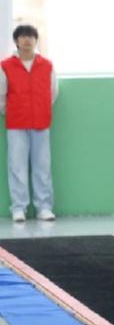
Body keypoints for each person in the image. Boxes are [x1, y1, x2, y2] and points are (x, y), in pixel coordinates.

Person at [1, 24, 58, 222]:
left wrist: (41, 108)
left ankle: (44, 207)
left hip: (41, 121)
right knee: (17, 166)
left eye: (31, 37)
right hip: (16, 122)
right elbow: (1, 94)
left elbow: (53, 92)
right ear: (16, 41)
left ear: (36, 40)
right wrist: (10, 111)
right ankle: (19, 208)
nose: (27, 40)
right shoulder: (5, 66)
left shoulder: (47, 65)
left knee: (42, 166)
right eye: (23, 37)